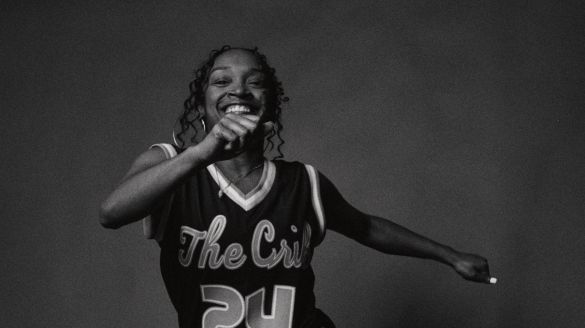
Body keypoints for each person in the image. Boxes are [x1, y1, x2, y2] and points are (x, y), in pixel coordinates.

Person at [99, 45, 495, 328]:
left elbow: (367, 227)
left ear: (269, 105)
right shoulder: (169, 164)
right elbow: (111, 213)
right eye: (221, 81)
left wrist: (450, 256)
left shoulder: (302, 182)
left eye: (254, 83)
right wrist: (200, 154)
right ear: (202, 105)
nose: (238, 90)